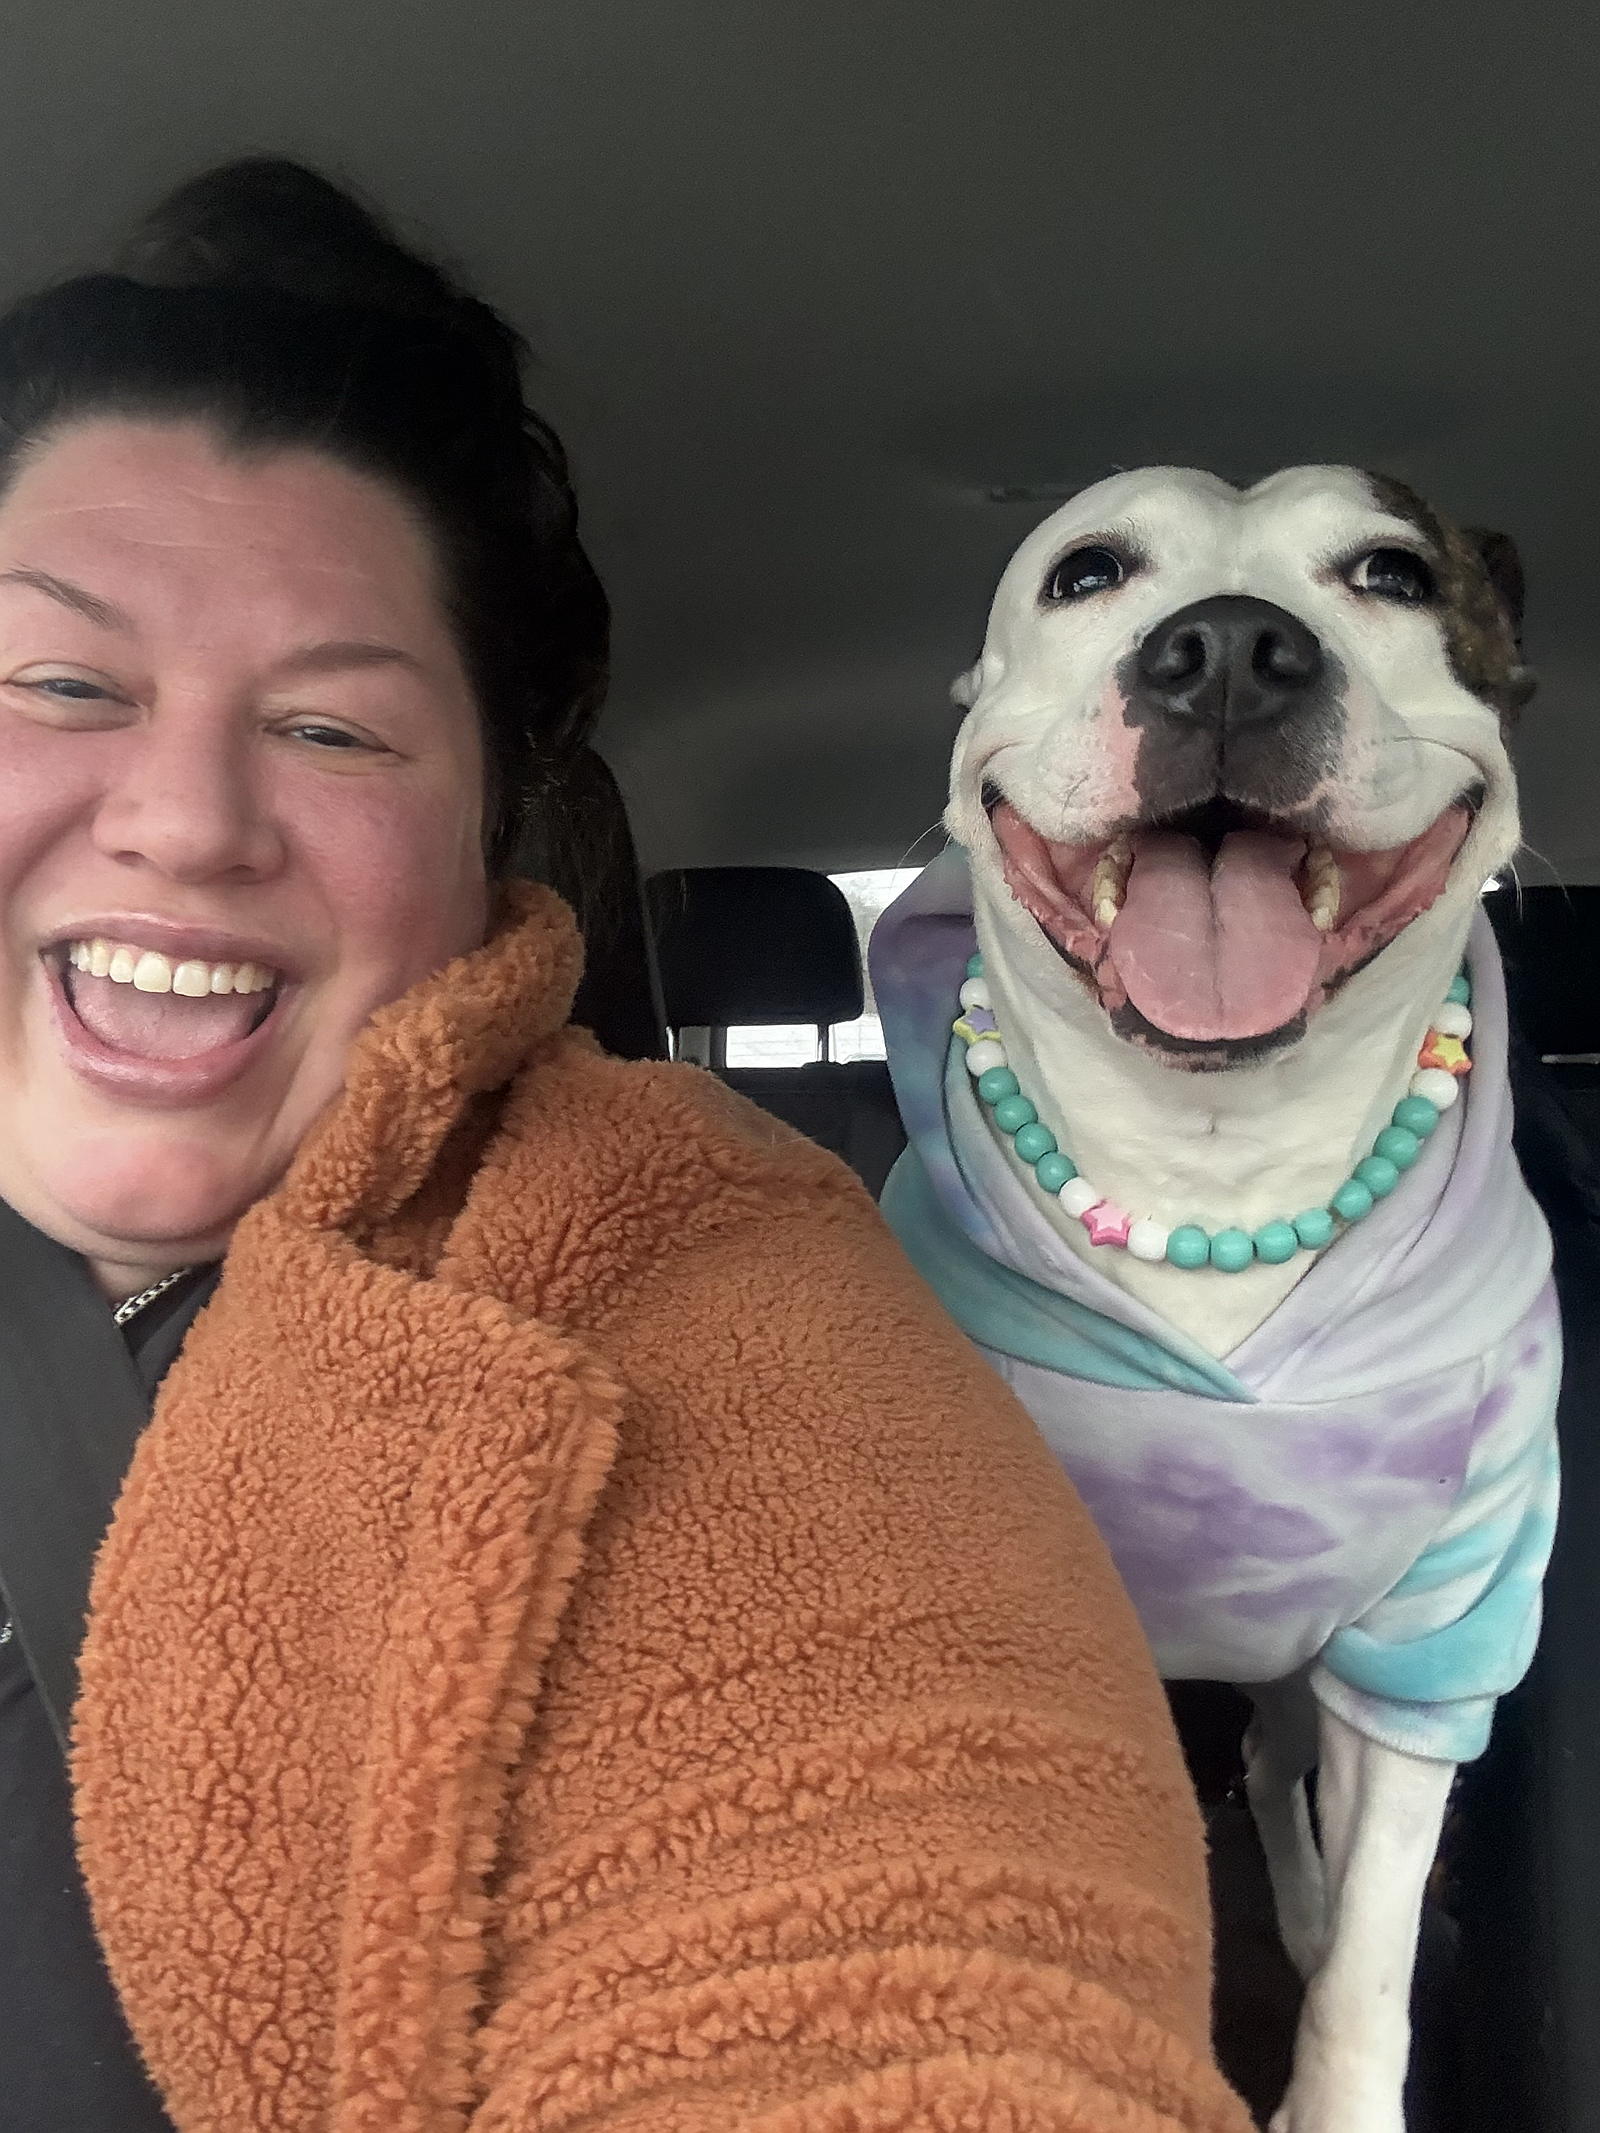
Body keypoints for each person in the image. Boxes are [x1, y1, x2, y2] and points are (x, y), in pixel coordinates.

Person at [0, 159, 1249, 2132]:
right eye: (62, 682)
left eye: (332, 729)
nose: (186, 815)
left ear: (485, 841)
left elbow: (920, 1984)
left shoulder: (700, 1296)